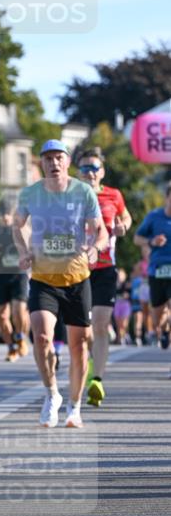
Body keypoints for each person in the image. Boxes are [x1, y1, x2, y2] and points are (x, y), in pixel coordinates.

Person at [13, 140, 108, 428]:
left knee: (78, 347)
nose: (53, 163)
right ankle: (51, 393)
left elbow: (100, 230)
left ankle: (74, 406)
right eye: (48, 159)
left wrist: (95, 248)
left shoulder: (83, 192)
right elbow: (17, 225)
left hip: (78, 279)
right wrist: (24, 251)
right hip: (44, 279)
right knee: (41, 337)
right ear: (41, 163)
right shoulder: (30, 193)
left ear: (67, 162)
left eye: (58, 158)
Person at [75, 148, 132, 406]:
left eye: (94, 168)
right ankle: (87, 363)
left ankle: (96, 380)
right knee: (83, 331)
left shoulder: (113, 195)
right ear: (78, 172)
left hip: (105, 268)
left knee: (100, 325)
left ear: (102, 172)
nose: (89, 173)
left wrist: (123, 227)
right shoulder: (70, 196)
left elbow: (126, 217)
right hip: (76, 268)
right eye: (85, 168)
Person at [0, 197, 30, 362]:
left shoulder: (21, 229)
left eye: (8, 213)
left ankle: (20, 337)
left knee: (18, 311)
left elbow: (31, 249)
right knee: (1, 316)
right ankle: (11, 348)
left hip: (19, 275)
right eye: (2, 214)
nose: (5, 217)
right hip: (0, 276)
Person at [134, 181, 171, 366]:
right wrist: (152, 241)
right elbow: (137, 238)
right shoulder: (154, 217)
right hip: (157, 271)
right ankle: (164, 330)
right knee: (157, 315)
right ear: (167, 198)